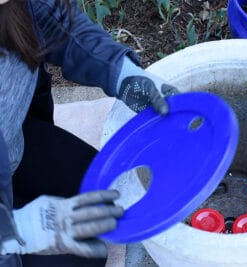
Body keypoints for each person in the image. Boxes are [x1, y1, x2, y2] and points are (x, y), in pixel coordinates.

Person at [0, 0, 179, 266]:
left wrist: (121, 73)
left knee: (110, 195)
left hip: (13, 148)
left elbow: (51, 18)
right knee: (83, 258)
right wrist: (17, 231)